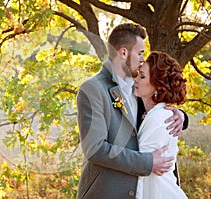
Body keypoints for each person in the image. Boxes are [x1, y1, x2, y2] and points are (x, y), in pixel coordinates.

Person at [76, 23, 188, 198]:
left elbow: (156, 111)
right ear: (123, 53)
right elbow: (95, 149)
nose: (142, 60)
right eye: (140, 53)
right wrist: (148, 162)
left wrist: (181, 116)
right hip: (107, 192)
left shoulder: (140, 86)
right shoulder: (93, 89)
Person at [134, 51, 187, 198]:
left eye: (142, 76)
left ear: (158, 86)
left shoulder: (160, 118)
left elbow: (138, 169)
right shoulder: (149, 112)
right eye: (138, 73)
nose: (136, 79)